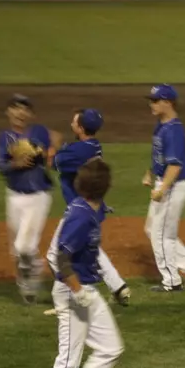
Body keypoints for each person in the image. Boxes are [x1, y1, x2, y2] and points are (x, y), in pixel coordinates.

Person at [44, 158, 124, 368]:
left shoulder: (91, 209)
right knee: (68, 360)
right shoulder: (79, 216)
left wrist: (115, 285)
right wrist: (78, 292)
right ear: (105, 186)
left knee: (111, 347)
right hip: (72, 292)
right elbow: (59, 258)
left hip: (87, 290)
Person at [53, 109, 130, 307]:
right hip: (90, 206)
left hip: (80, 209)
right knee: (90, 250)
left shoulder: (80, 151)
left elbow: (55, 162)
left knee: (58, 253)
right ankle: (119, 287)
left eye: (74, 122)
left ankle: (66, 299)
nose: (71, 124)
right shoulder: (92, 146)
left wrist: (50, 148)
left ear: (80, 128)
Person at [0, 94, 60, 304]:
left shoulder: (38, 131)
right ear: (8, 112)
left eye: (24, 108)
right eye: (15, 107)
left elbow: (56, 137)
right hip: (13, 197)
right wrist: (15, 165)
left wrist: (50, 153)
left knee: (25, 247)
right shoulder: (4, 137)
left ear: (30, 114)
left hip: (38, 196)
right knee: (17, 251)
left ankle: (36, 269)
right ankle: (27, 284)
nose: (20, 112)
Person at [143, 84, 185, 292]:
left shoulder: (174, 130)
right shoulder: (161, 125)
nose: (151, 104)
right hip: (165, 182)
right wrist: (150, 173)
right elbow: (159, 155)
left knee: (161, 235)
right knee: (152, 229)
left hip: (172, 185)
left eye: (155, 100)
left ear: (168, 102)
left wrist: (162, 189)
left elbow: (175, 164)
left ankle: (171, 282)